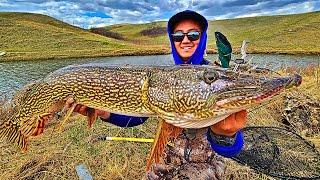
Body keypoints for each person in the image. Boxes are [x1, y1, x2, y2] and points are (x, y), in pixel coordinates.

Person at [66, 10, 246, 179]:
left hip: (205, 167)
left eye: (193, 35)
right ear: (172, 40)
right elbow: (139, 117)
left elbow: (232, 150)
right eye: (177, 35)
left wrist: (225, 135)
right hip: (166, 160)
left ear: (203, 39)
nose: (185, 40)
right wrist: (104, 112)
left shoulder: (216, 79)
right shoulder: (162, 76)